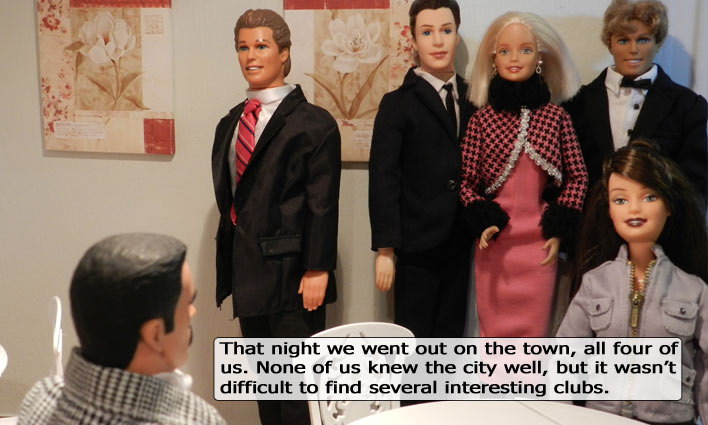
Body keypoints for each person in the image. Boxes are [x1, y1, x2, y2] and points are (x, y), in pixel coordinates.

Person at [211, 8, 341, 425]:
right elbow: (233, 200)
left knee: (298, 394)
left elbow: (322, 202)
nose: (251, 55)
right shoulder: (230, 123)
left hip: (293, 276)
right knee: (266, 389)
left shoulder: (313, 125)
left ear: (283, 53)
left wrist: (318, 267)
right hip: (247, 274)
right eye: (243, 47)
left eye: (261, 46)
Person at [557, 141, 707, 425]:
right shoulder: (595, 283)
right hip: (602, 418)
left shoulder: (694, 290)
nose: (634, 209)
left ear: (669, 205)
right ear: (609, 210)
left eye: (649, 197)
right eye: (620, 200)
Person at [460, 12, 588, 337]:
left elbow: (578, 176)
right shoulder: (482, 120)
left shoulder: (555, 118)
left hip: (539, 246)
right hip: (495, 245)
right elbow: (466, 182)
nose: (514, 58)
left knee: (535, 335)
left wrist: (558, 229)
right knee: (492, 337)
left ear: (540, 58)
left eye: (525, 50)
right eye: (504, 51)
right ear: (493, 60)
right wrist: (483, 219)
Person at [17, 233, 226, 425]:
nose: (192, 312)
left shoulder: (40, 397)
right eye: (188, 303)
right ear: (155, 335)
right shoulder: (199, 420)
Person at [368, 0, 475, 338]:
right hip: (415, 243)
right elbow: (383, 178)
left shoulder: (474, 97)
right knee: (414, 337)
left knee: (451, 336)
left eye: (446, 30)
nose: (438, 41)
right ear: (413, 40)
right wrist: (385, 249)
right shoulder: (397, 104)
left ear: (457, 35)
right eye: (427, 33)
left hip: (462, 239)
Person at [563, 0, 707, 209]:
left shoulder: (687, 106)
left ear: (658, 42)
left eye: (643, 39)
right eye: (623, 40)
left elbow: (696, 185)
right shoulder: (575, 104)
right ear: (610, 43)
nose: (633, 49)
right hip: (588, 223)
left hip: (658, 225)